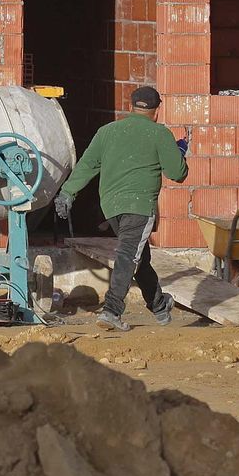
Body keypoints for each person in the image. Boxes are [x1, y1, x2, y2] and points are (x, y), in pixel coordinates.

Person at [53, 86, 189, 332]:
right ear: (158, 110)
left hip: (112, 207)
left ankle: (159, 306)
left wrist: (67, 193)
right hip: (139, 206)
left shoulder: (107, 132)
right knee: (129, 255)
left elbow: (87, 165)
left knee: (140, 257)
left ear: (131, 107)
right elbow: (177, 173)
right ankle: (111, 309)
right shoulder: (160, 133)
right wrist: (179, 151)